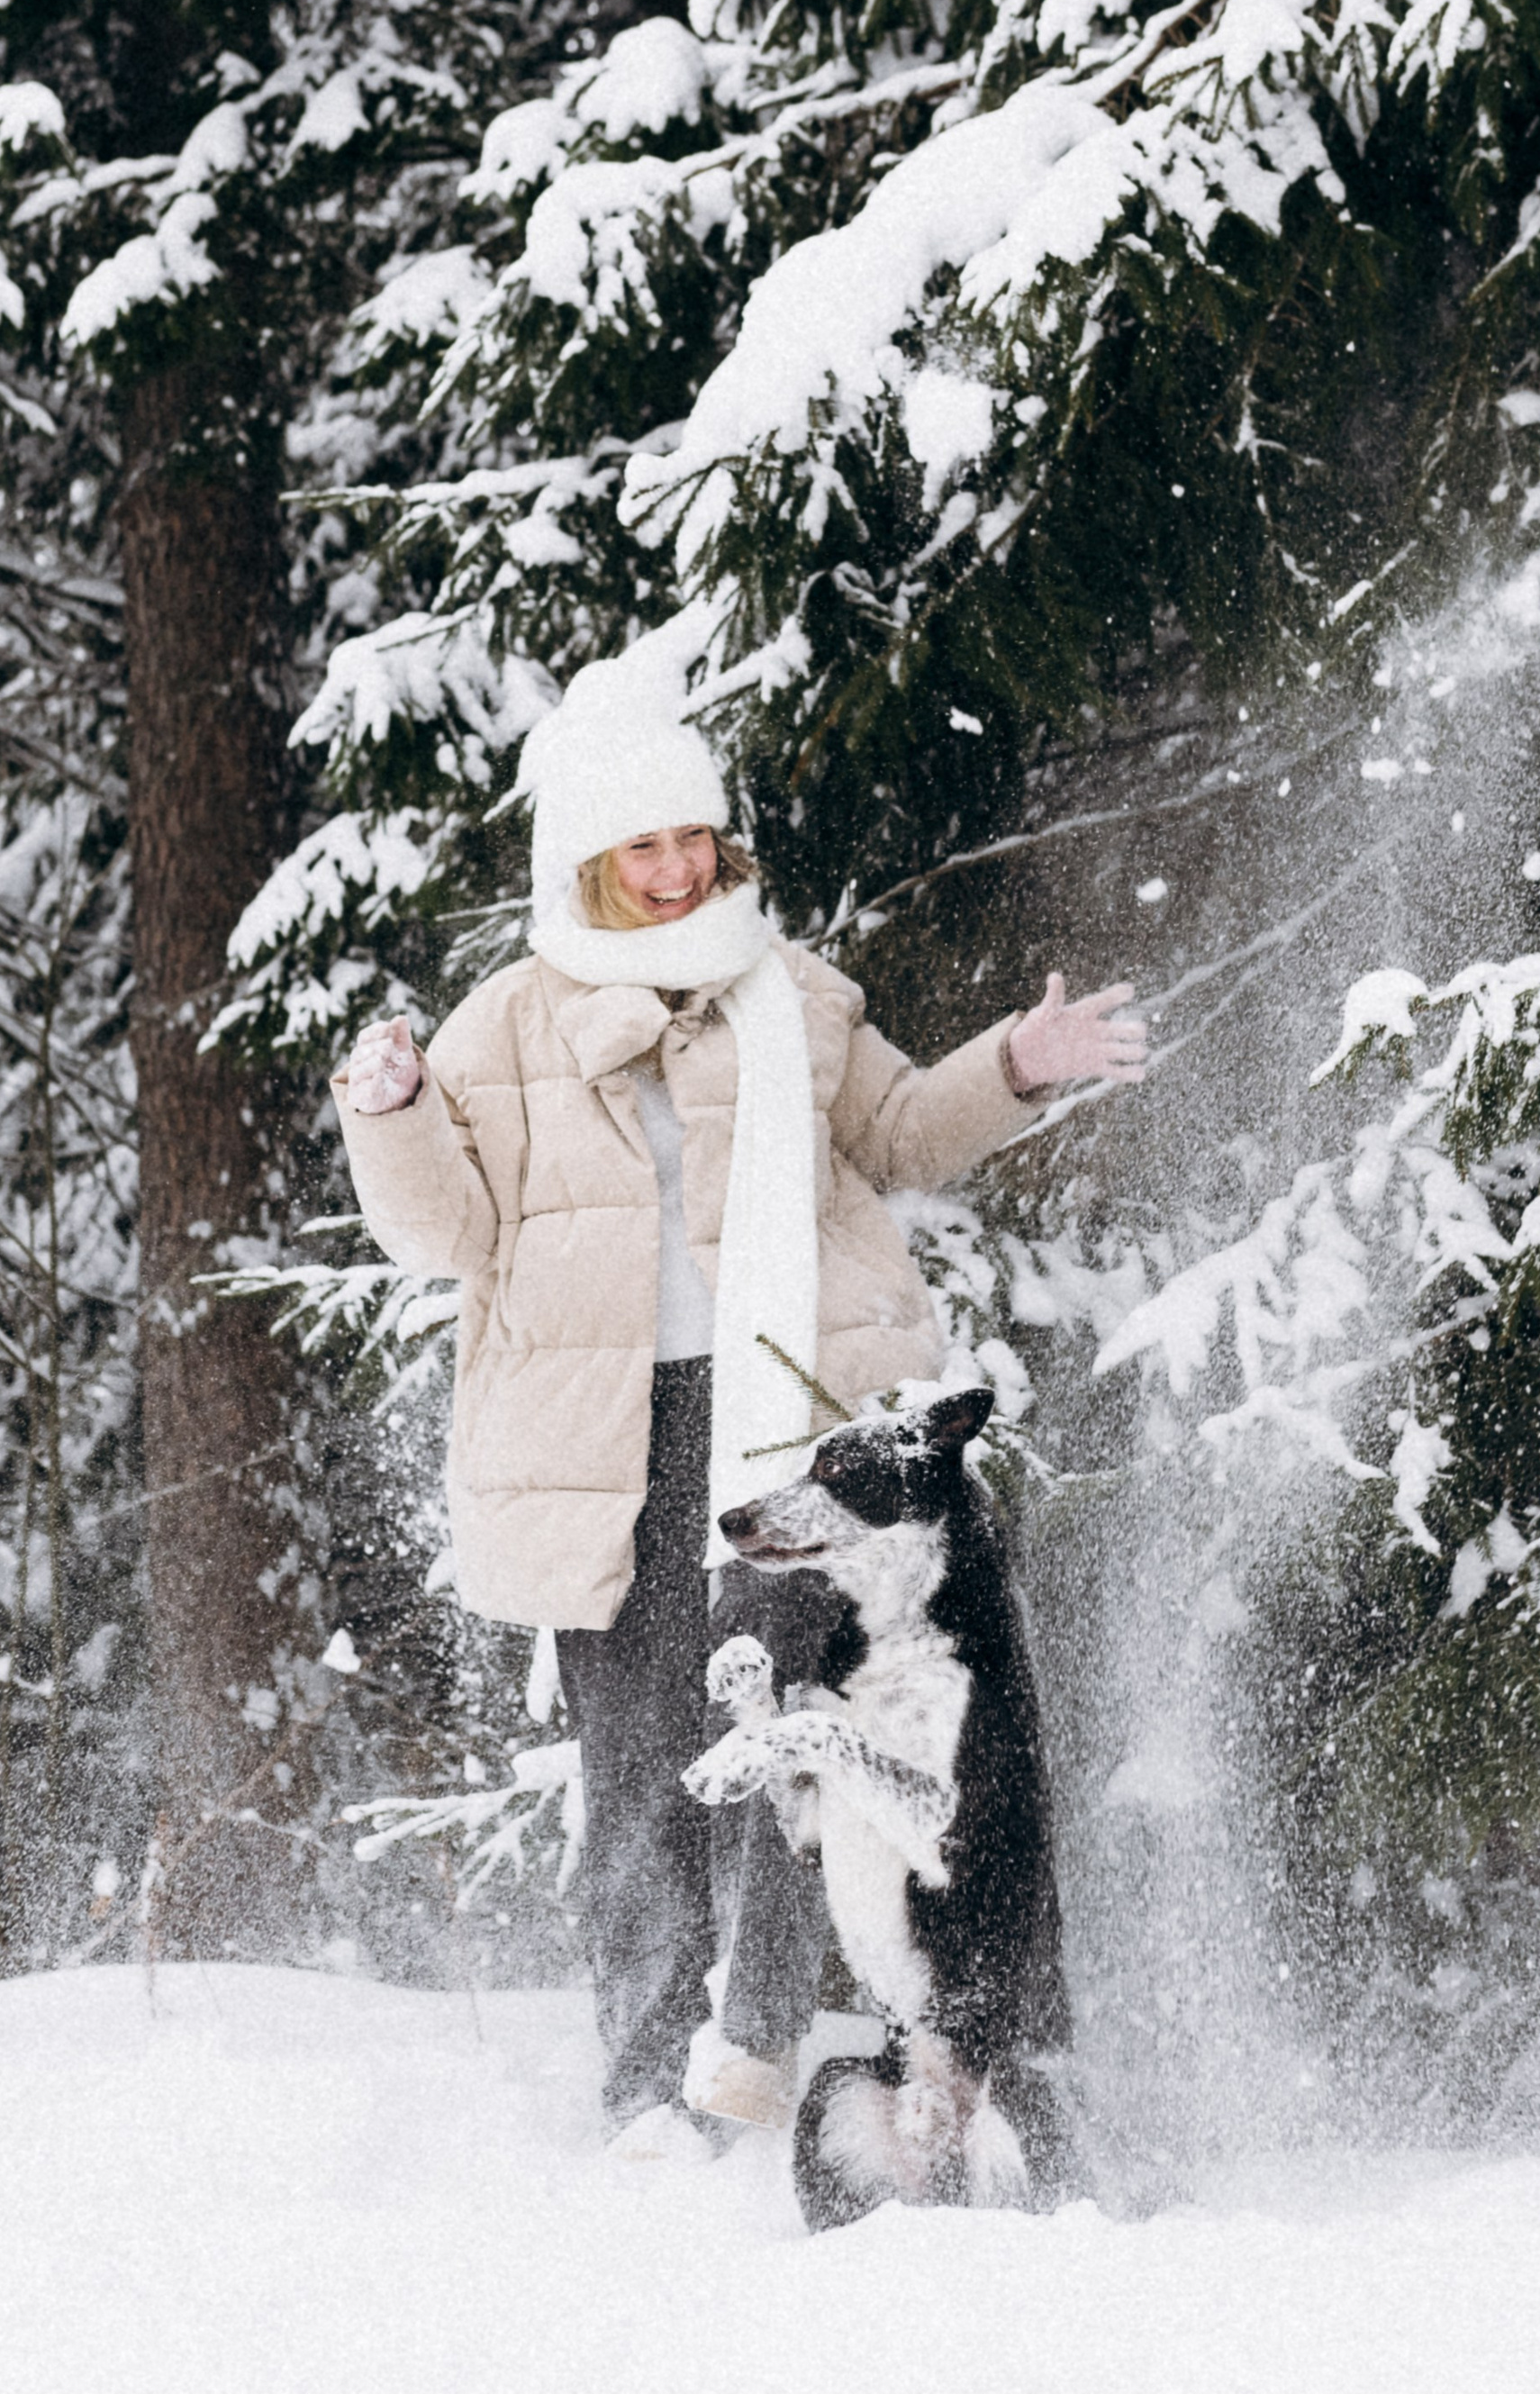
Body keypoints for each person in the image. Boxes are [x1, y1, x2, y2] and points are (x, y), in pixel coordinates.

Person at [332, 686, 1146, 2159]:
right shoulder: (503, 1024)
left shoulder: (791, 990)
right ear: (583, 859)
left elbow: (898, 1132)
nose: (675, 870)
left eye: (695, 836)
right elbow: (442, 1227)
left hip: (795, 1427)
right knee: (639, 1763)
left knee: (805, 1735)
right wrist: (388, 1112)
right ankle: (646, 2086)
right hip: (604, 1439)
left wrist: (1017, 1065)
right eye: (639, 845)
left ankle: (756, 2052)